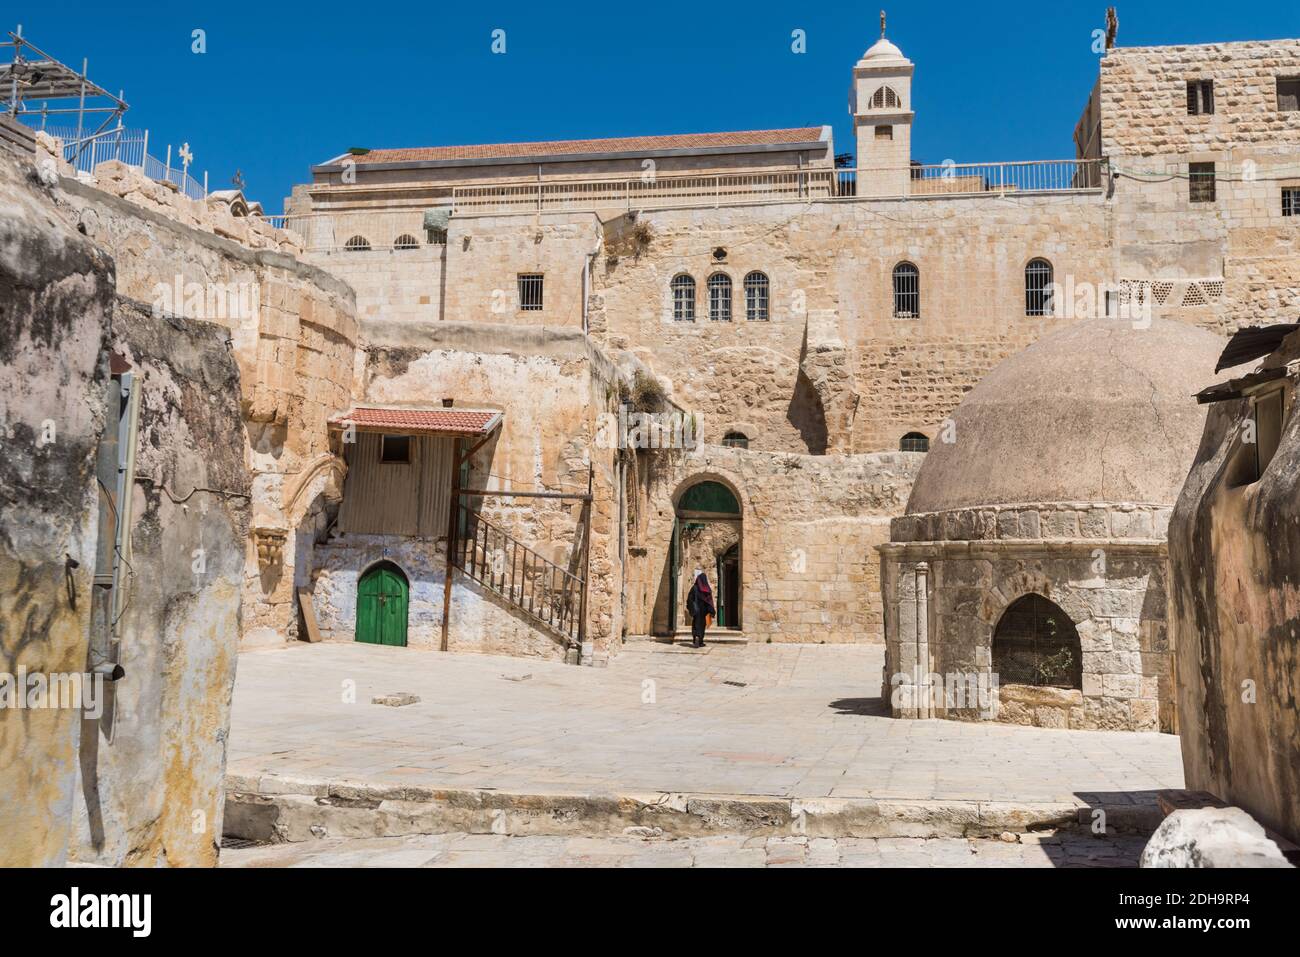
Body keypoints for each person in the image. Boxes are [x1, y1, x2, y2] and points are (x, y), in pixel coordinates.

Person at [685, 569, 715, 648]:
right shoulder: (707, 589)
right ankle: (700, 640)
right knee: (702, 625)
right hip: (704, 612)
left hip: (696, 611)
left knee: (695, 624)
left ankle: (696, 639)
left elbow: (689, 599)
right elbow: (709, 601)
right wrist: (711, 611)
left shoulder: (694, 588)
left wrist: (691, 609)